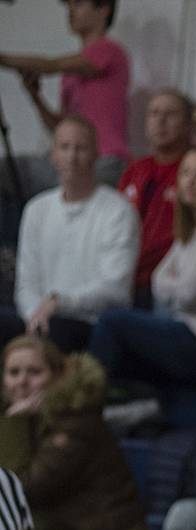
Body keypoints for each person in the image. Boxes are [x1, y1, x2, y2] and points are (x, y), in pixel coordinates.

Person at [90, 146, 196, 387]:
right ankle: (123, 404)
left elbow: (187, 295)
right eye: (185, 172)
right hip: (193, 332)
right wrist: (192, 291)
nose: (191, 181)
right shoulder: (192, 230)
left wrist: (186, 290)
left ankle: (86, 402)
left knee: (111, 322)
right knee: (121, 352)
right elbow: (157, 281)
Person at [0, 337, 154, 530]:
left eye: (34, 372)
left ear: (57, 375)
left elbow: (21, 487)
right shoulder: (28, 419)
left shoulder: (75, 420)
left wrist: (14, 423)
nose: (22, 381)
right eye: (13, 372)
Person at [6, 115, 139, 353]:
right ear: (52, 155)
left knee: (55, 331)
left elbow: (115, 289)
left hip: (91, 323)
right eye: (64, 147)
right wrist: (34, 317)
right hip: (38, 318)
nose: (72, 157)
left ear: (96, 154)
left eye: (81, 148)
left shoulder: (118, 210)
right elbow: (26, 283)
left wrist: (59, 303)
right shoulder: (36, 209)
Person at [0, 0, 129, 191]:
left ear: (104, 9)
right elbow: (59, 127)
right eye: (69, 5)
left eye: (78, 4)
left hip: (103, 160)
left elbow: (50, 65)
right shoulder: (70, 73)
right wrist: (35, 96)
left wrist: (2, 59)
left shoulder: (109, 50)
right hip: (69, 159)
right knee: (8, 173)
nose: (70, 11)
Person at [119, 89, 194, 299]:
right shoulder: (135, 170)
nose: (160, 121)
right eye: (154, 113)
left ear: (188, 125)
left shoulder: (195, 171)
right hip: (126, 275)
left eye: (171, 114)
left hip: (168, 282)